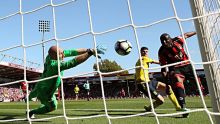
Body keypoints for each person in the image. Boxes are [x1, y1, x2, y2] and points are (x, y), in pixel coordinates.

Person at [27, 45, 106, 118]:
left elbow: (73, 52)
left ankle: (30, 97)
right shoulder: (54, 66)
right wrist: (89, 53)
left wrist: (89, 50)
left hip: (42, 83)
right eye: (61, 54)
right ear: (55, 56)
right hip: (45, 92)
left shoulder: (51, 56)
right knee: (52, 106)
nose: (63, 55)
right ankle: (31, 112)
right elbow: (73, 62)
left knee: (35, 95)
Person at [158, 31, 204, 117]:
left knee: (198, 86)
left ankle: (197, 89)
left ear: (170, 39)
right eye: (162, 41)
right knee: (177, 80)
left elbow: (186, 35)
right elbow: (163, 68)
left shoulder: (178, 40)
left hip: (187, 65)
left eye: (165, 40)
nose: (164, 42)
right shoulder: (162, 51)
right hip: (175, 68)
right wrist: (167, 84)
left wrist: (197, 31)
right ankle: (183, 107)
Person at [135, 47, 181, 112]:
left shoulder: (138, 61)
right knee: (161, 101)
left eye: (146, 51)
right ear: (140, 52)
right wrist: (171, 61)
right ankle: (149, 108)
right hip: (144, 84)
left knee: (168, 87)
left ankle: (178, 107)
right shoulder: (144, 58)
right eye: (143, 51)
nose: (145, 53)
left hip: (149, 81)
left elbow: (137, 74)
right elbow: (160, 63)